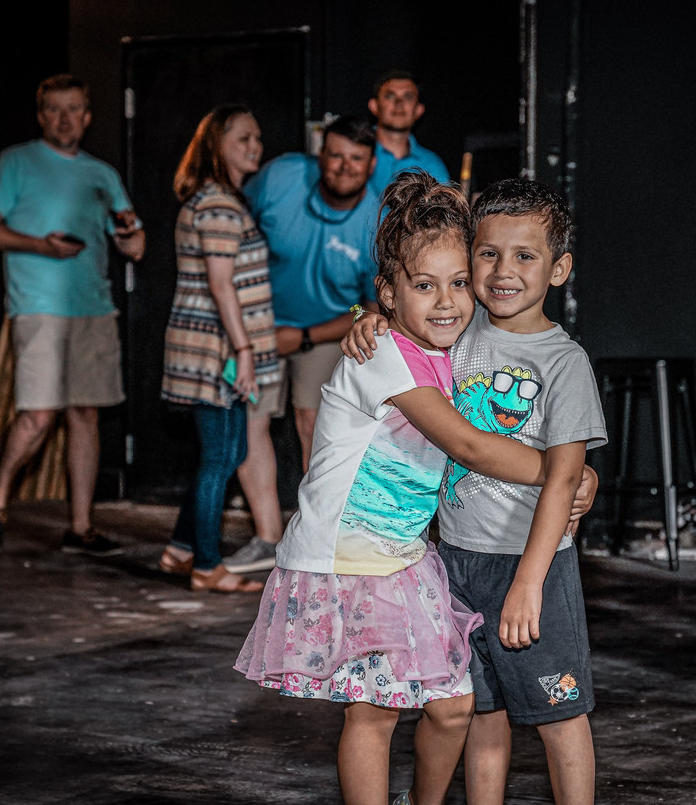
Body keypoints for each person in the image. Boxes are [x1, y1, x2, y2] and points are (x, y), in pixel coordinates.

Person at [235, 171, 594, 805]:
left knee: (454, 707)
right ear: (391, 292)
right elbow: (469, 444)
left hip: (400, 555)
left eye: (459, 283)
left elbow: (425, 333)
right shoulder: (385, 354)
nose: (449, 300)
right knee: (374, 713)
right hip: (347, 557)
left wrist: (365, 313)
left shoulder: (453, 345)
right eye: (425, 286)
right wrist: (565, 473)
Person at [344, 177, 607, 805]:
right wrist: (371, 317)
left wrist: (529, 583)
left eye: (526, 256)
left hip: (531, 566)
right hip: (453, 563)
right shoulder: (457, 335)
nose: (503, 271)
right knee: (483, 715)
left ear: (559, 268)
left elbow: (564, 474)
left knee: (558, 714)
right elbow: (411, 318)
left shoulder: (564, 362)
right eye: (487, 254)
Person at [0, 74, 145, 557]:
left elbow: (135, 244)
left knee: (85, 414)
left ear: (87, 117)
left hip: (94, 307)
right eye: (54, 109)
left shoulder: (101, 173)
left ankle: (81, 527)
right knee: (39, 415)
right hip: (39, 309)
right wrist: (39, 246)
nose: (64, 118)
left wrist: (130, 235)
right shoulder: (16, 162)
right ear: (41, 114)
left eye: (74, 109)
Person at [225, 115, 382, 576]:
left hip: (327, 331)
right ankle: (267, 536)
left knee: (315, 421)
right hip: (255, 327)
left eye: (355, 158)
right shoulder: (279, 178)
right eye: (334, 155)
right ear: (320, 155)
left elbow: (369, 311)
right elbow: (231, 230)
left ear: (371, 165)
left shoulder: (376, 219)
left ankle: (320, 537)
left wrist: (310, 335)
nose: (343, 166)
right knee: (246, 422)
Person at [158, 106, 281, 593]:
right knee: (219, 456)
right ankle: (207, 567)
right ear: (216, 144)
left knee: (225, 454)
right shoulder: (218, 206)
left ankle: (182, 548)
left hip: (219, 347)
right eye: (243, 137)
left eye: (258, 137)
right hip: (216, 351)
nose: (255, 145)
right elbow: (220, 283)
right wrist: (244, 351)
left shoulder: (220, 201)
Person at [366, 69, 451, 197]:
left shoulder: (433, 165)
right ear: (374, 106)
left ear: (418, 110)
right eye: (390, 95)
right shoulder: (351, 152)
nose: (399, 103)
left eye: (408, 97)